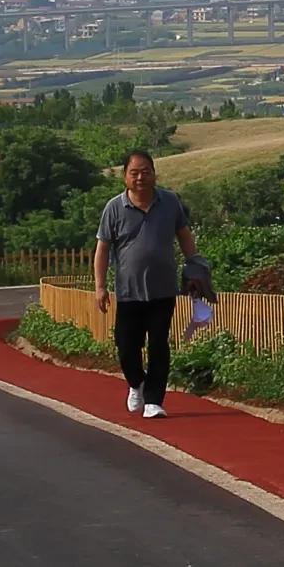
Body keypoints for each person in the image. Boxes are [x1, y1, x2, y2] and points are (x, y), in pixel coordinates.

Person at [93, 149, 200, 419]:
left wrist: (194, 267)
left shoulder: (170, 202)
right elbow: (103, 249)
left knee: (158, 344)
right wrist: (100, 286)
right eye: (134, 173)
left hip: (162, 289)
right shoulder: (114, 208)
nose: (140, 177)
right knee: (126, 346)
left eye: (146, 172)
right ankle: (136, 383)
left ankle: (154, 400)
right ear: (125, 177)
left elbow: (184, 235)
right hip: (128, 292)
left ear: (154, 174)